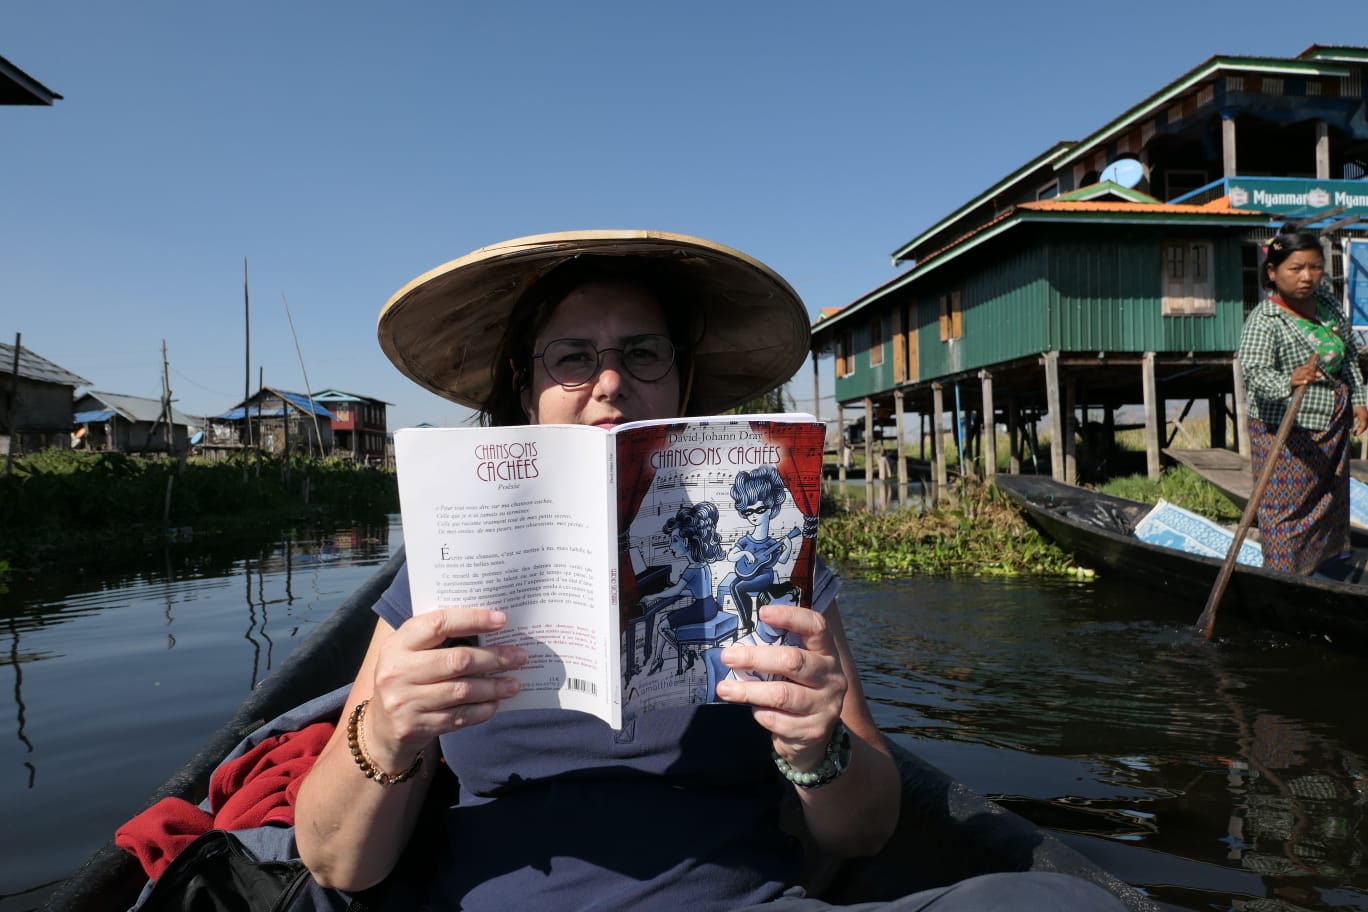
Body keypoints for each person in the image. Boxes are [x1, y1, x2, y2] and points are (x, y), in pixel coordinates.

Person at [294, 230, 1128, 911]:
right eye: (573, 358)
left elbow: (866, 832)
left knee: (1071, 904)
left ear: (684, 378)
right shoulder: (447, 566)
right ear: (528, 389)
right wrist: (388, 733)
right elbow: (337, 865)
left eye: (643, 354)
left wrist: (817, 747)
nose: (610, 383)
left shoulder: (779, 552)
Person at [1238, 229, 1368, 575]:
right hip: (1285, 428)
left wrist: (1359, 400)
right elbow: (1254, 373)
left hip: (1332, 424)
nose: (1307, 277)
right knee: (1285, 510)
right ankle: (1283, 574)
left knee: (1330, 501)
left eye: (1315, 267)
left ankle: (1327, 568)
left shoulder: (1326, 306)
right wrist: (1288, 380)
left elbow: (1350, 358)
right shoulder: (1265, 319)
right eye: (1296, 268)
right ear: (1272, 272)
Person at [642, 501, 726, 676]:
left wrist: (654, 596)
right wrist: (676, 592)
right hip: (709, 605)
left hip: (701, 609)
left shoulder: (692, 569)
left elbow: (676, 591)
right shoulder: (702, 565)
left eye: (674, 540)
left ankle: (686, 653)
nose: (670, 546)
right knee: (665, 619)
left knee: (662, 626)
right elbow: (699, 591)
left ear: (686, 541)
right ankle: (658, 658)